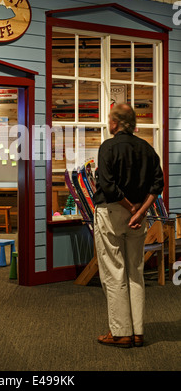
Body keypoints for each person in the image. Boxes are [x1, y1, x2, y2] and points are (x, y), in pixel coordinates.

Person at [93, 103, 164, 348]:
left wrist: (130, 208)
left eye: (110, 119)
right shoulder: (147, 149)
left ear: (115, 123)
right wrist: (140, 211)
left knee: (114, 272)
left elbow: (109, 187)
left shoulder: (108, 147)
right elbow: (158, 185)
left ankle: (121, 332)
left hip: (112, 212)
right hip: (139, 216)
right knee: (136, 271)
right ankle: (138, 331)